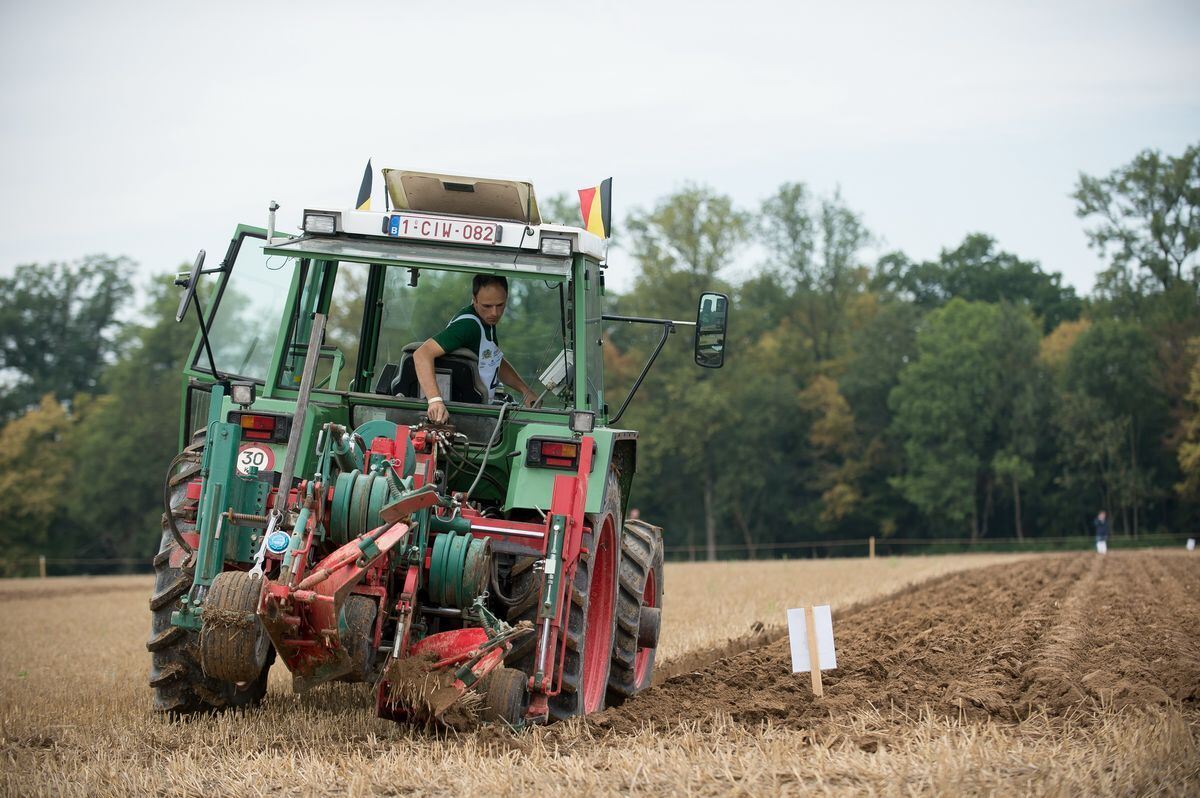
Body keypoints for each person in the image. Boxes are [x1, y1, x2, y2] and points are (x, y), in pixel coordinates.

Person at [413, 274, 537, 424]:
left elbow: (493, 360)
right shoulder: (468, 326)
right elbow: (422, 354)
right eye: (487, 306)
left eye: (500, 305)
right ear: (474, 299)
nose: (494, 313)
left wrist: (525, 390)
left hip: (481, 411)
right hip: (463, 416)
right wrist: (435, 401)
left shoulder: (487, 322)